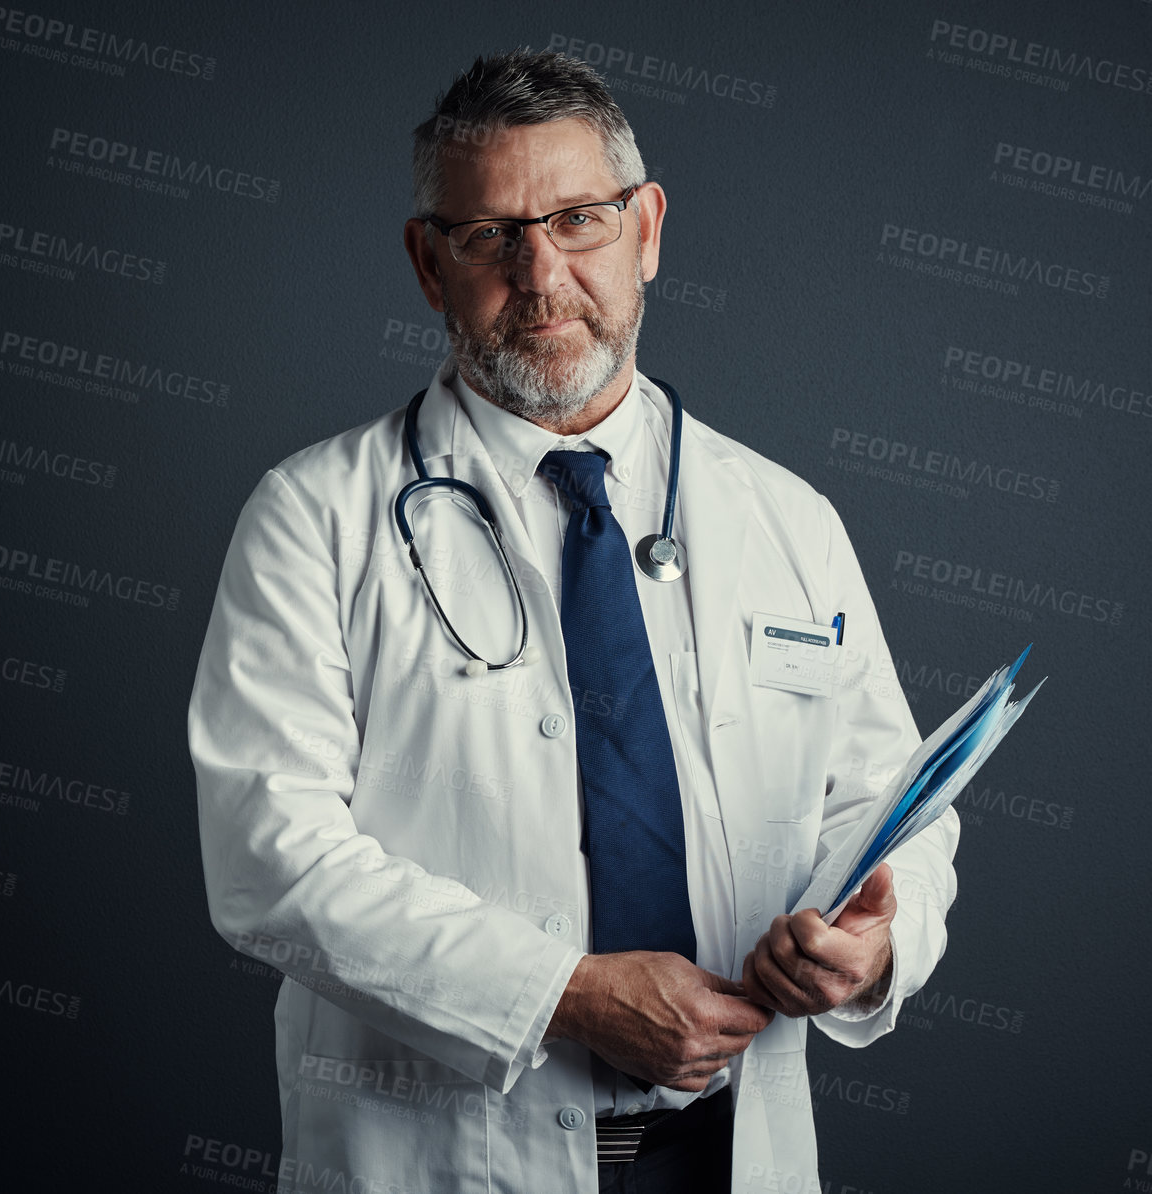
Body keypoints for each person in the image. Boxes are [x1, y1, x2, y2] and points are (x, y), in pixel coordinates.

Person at [188, 49, 958, 1194]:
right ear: (427, 262)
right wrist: (562, 994)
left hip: (732, 1150)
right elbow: (268, 855)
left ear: (646, 229)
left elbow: (899, 813)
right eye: (490, 234)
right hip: (450, 1155)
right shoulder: (315, 516)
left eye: (579, 220)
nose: (541, 276)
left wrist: (877, 945)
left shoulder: (788, 518)